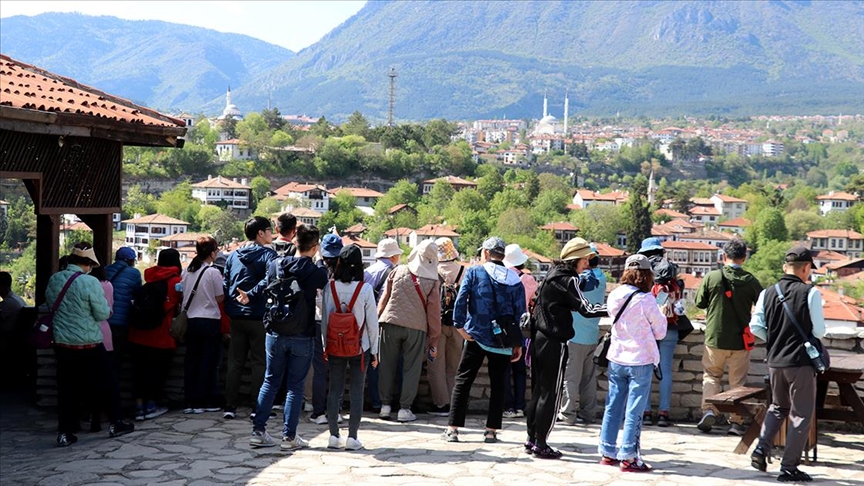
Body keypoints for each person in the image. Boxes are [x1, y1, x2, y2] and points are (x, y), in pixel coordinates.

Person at [526, 238, 607, 459]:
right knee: (550, 394)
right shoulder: (569, 280)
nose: (587, 264)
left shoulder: (552, 275)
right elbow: (587, 309)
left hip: (539, 338)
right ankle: (541, 444)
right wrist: (615, 308)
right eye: (586, 260)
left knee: (538, 391)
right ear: (577, 259)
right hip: (555, 340)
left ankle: (531, 439)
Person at [749, 247, 824, 483]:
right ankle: (789, 467)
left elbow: (755, 328)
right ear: (805, 268)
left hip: (775, 361)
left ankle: (761, 449)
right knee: (801, 414)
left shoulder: (767, 293)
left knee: (777, 407)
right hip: (800, 363)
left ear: (784, 267)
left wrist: (775, 338)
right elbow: (820, 331)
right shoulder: (810, 293)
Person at [249, 225, 327, 450]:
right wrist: (319, 258)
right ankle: (289, 437)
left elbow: (265, 285)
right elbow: (323, 279)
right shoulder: (314, 270)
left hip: (275, 331)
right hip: (302, 333)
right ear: (314, 247)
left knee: (270, 381)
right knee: (295, 387)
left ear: (294, 241)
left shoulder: (275, 264)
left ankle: (258, 431)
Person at [49, 243, 134, 446]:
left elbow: (52, 305)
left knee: (67, 389)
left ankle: (64, 432)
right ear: (88, 263)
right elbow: (103, 313)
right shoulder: (90, 282)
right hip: (89, 342)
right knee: (108, 383)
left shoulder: (54, 279)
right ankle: (116, 422)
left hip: (62, 342)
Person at [444, 237, 525, 444]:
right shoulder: (515, 280)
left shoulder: (473, 272)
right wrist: (518, 344)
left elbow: (461, 302)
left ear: (486, 253)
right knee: (499, 385)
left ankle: (453, 429)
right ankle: (491, 431)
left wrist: (460, 327)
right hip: (504, 341)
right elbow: (520, 315)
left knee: (463, 381)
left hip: (476, 335)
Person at [598, 254, 666, 472]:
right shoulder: (646, 300)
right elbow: (660, 332)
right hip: (640, 359)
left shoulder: (615, 294)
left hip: (617, 356)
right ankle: (629, 455)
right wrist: (662, 312)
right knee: (634, 409)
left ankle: (607, 451)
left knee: (613, 405)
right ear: (647, 275)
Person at [695, 237, 763, 435]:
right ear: (744, 258)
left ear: (724, 256)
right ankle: (736, 421)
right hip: (741, 340)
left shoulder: (712, 277)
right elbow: (763, 306)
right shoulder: (751, 281)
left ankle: (709, 410)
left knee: (711, 376)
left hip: (715, 338)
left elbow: (699, 302)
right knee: (738, 383)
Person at [321, 244, 379, 451]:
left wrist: (325, 346)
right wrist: (375, 351)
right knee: (356, 392)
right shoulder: (365, 289)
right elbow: (372, 323)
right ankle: (352, 437)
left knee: (334, 390)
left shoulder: (330, 287)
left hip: (335, 345)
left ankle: (333, 435)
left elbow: (326, 320)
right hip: (359, 346)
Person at [377, 239, 441, 422]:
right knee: (411, 369)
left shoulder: (398, 270)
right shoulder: (432, 280)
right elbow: (434, 314)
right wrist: (434, 339)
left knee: (386, 366)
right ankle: (405, 409)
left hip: (389, 322)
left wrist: (376, 319)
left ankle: (385, 406)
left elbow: (384, 299)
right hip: (416, 327)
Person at [222, 216, 277, 419]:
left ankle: (229, 406)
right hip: (257, 314)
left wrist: (233, 304)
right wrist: (252, 295)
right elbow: (271, 279)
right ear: (260, 233)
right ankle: (258, 407)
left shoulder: (233, 256)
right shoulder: (269, 256)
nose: (272, 234)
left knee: (235, 362)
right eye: (269, 230)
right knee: (259, 362)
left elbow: (226, 283)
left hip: (236, 316)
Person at [128, 248, 183, 421]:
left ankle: (138, 407)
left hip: (137, 334)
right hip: (161, 336)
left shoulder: (150, 279)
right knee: (157, 373)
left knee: (138, 373)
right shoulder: (176, 282)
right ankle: (151, 406)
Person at [637, 237, 684, 427]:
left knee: (646, 371)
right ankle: (664, 413)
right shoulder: (674, 278)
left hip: (647, 330)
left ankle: (646, 412)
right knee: (665, 371)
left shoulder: (643, 277)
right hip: (669, 329)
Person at [559, 243, 606, 426]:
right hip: (592, 334)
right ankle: (588, 414)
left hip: (574, 334)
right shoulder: (601, 278)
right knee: (588, 379)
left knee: (570, 378)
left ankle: (568, 414)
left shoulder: (580, 280)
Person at [182, 237, 226, 414]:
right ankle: (203, 399)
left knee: (192, 360)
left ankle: (190, 400)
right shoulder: (212, 272)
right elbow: (219, 297)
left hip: (191, 320)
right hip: (209, 319)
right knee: (207, 361)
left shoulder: (187, 271)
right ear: (213, 252)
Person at [363, 237, 403, 413]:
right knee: (397, 364)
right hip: (388, 321)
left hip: (368, 321)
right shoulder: (396, 273)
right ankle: (394, 402)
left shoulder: (367, 272)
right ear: (394, 256)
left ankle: (376, 401)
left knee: (374, 363)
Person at [426, 237, 465, 417]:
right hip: (459, 325)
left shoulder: (432, 271)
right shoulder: (464, 271)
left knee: (436, 364)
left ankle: (441, 403)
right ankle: (454, 402)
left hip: (437, 324)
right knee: (455, 366)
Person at [307, 232, 343, 424]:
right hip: (340, 324)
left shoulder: (316, 271)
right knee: (337, 369)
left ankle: (318, 412)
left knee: (320, 369)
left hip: (319, 321)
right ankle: (335, 411)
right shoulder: (345, 275)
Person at [502, 243, 536, 419]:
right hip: (523, 328)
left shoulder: (501, 277)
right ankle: (520, 405)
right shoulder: (528, 280)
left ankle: (508, 406)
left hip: (505, 327)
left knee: (505, 369)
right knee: (520, 369)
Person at [102, 246, 142, 371]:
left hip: (104, 320)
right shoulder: (134, 273)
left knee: (103, 354)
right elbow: (138, 294)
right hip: (121, 320)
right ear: (130, 260)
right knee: (116, 354)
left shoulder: (106, 270)